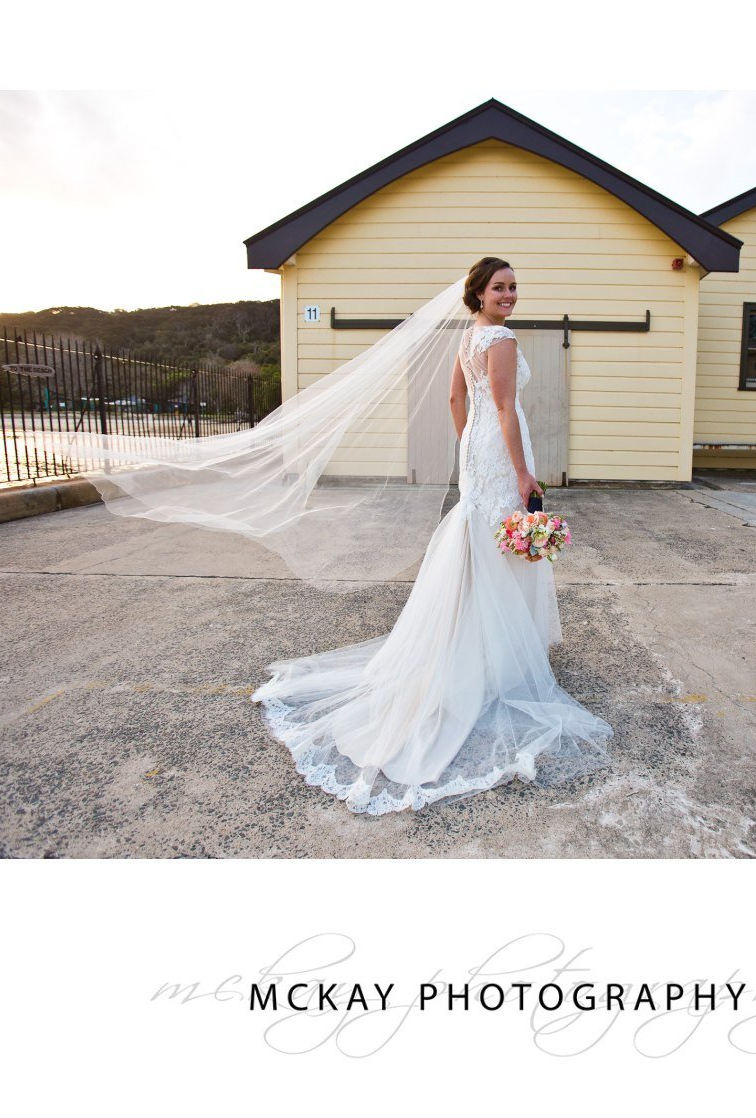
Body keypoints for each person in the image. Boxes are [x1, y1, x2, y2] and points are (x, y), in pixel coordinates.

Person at [249, 259, 614, 813]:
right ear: (480, 293)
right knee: (503, 544)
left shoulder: (469, 338)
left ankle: (475, 643)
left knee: (482, 543)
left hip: (476, 453)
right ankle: (496, 658)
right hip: (500, 452)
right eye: (500, 287)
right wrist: (519, 471)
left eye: (514, 287)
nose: (510, 295)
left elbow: (455, 401)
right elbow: (506, 407)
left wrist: (471, 446)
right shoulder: (503, 339)